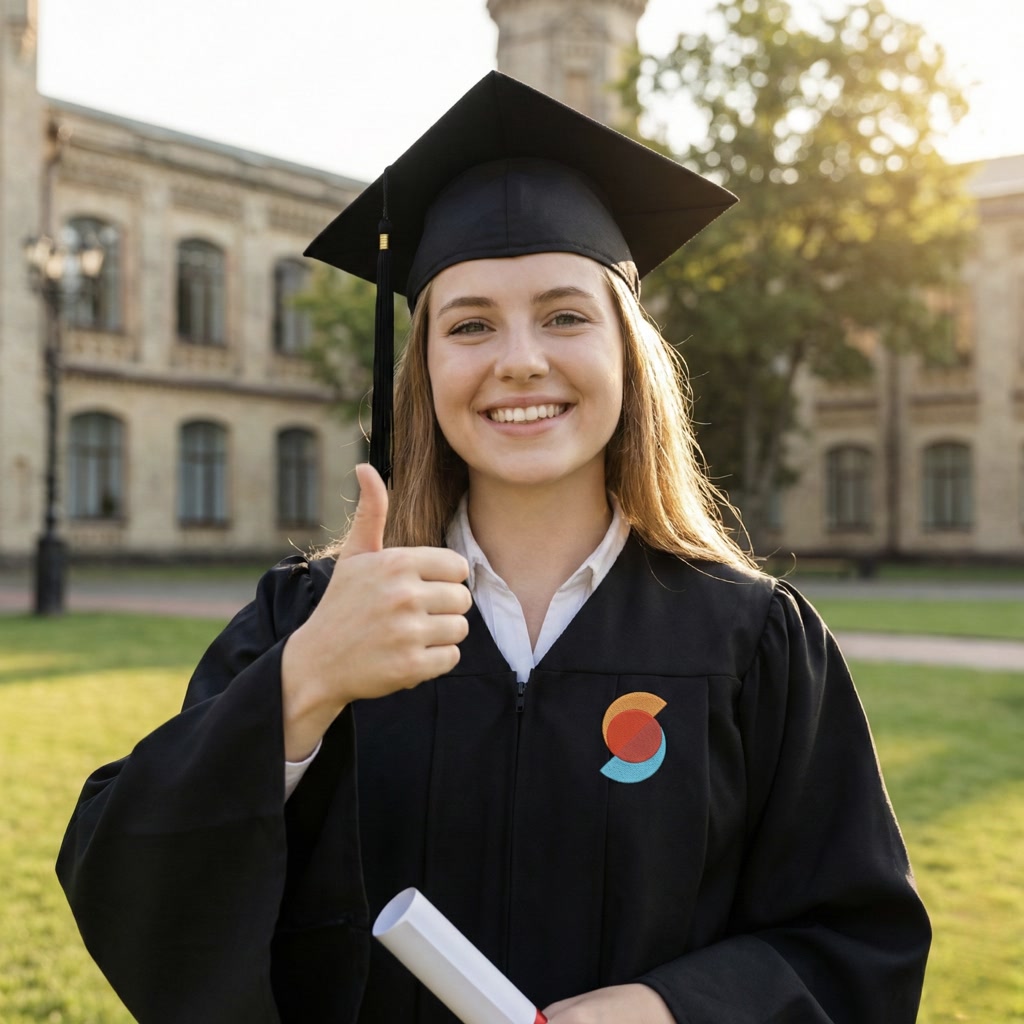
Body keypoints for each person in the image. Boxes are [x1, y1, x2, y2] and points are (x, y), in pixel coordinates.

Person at [57, 72, 929, 1024]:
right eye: (470, 324)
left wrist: (671, 1010)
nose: (520, 358)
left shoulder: (753, 642)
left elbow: (859, 943)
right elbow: (124, 875)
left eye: (565, 315)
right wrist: (304, 684)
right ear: (423, 365)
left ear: (626, 353)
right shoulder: (314, 619)